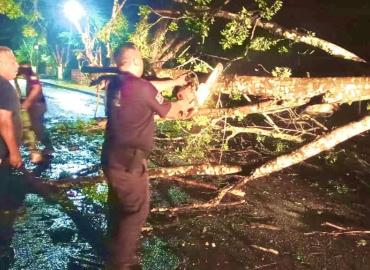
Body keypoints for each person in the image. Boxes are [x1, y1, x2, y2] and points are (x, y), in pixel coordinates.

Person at [102, 43, 194, 270]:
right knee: (136, 211)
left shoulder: (116, 83)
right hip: (129, 162)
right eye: (141, 60)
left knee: (117, 205)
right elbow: (171, 110)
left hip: (112, 158)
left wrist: (173, 83)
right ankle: (120, 263)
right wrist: (189, 99)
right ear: (135, 61)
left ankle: (113, 247)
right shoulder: (141, 88)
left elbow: (147, 86)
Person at [0, 46, 25, 268]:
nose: (17, 65)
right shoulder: (4, 86)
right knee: (5, 201)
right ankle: (3, 248)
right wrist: (14, 151)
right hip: (2, 157)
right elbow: (4, 121)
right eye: (12, 61)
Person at [16, 62, 53, 163]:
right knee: (26, 128)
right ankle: (34, 151)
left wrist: (26, 104)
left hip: (37, 107)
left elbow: (36, 89)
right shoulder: (17, 77)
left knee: (38, 128)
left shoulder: (32, 77)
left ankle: (48, 147)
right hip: (25, 107)